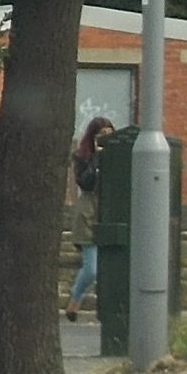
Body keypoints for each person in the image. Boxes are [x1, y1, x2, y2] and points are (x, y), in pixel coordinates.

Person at [66, 115, 115, 320]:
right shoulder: (82, 157)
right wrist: (97, 159)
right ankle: (74, 300)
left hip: (110, 213)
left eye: (109, 135)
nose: (105, 140)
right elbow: (85, 183)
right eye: (101, 136)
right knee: (92, 268)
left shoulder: (118, 156)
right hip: (89, 214)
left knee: (110, 269)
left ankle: (105, 310)